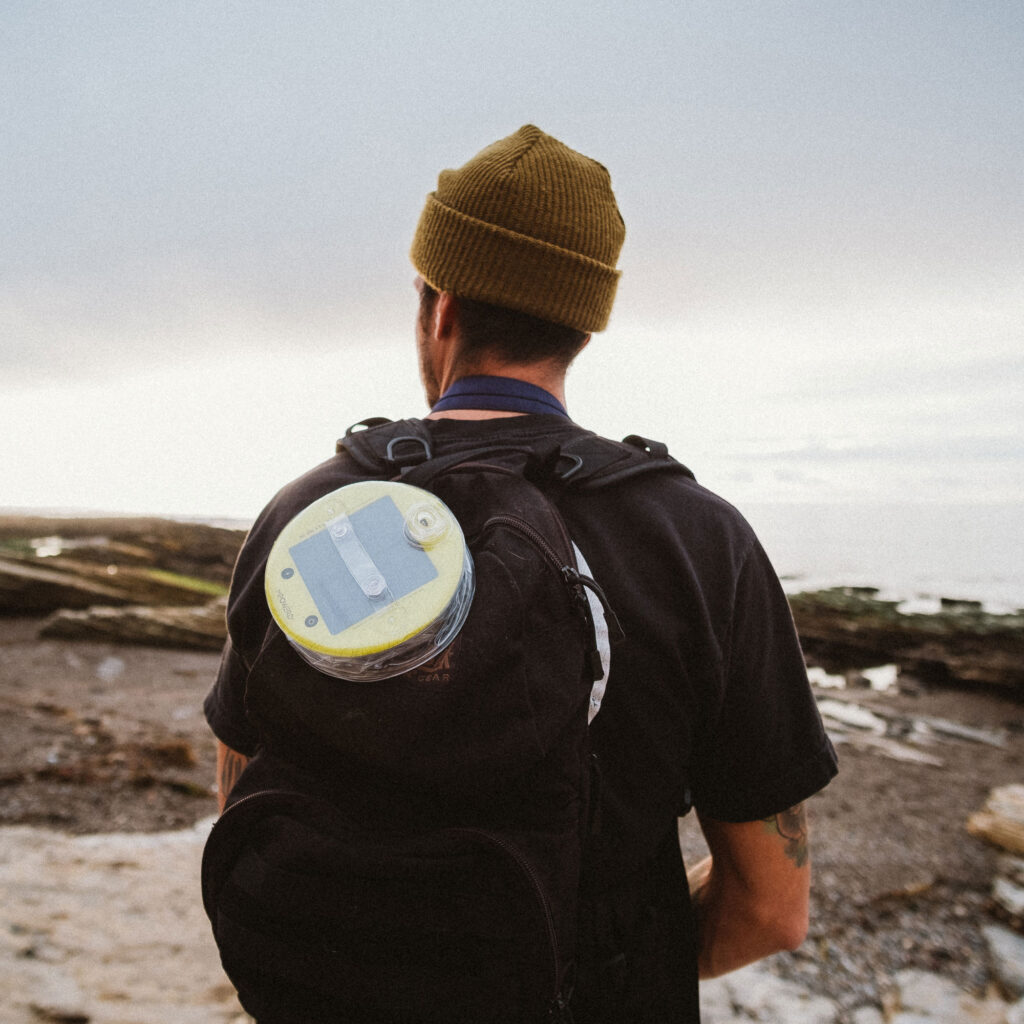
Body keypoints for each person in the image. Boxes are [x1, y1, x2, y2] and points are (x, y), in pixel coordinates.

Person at [204, 124, 838, 1021]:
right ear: (582, 325)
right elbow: (771, 911)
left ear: (440, 304)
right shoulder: (700, 542)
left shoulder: (311, 516)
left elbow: (240, 798)